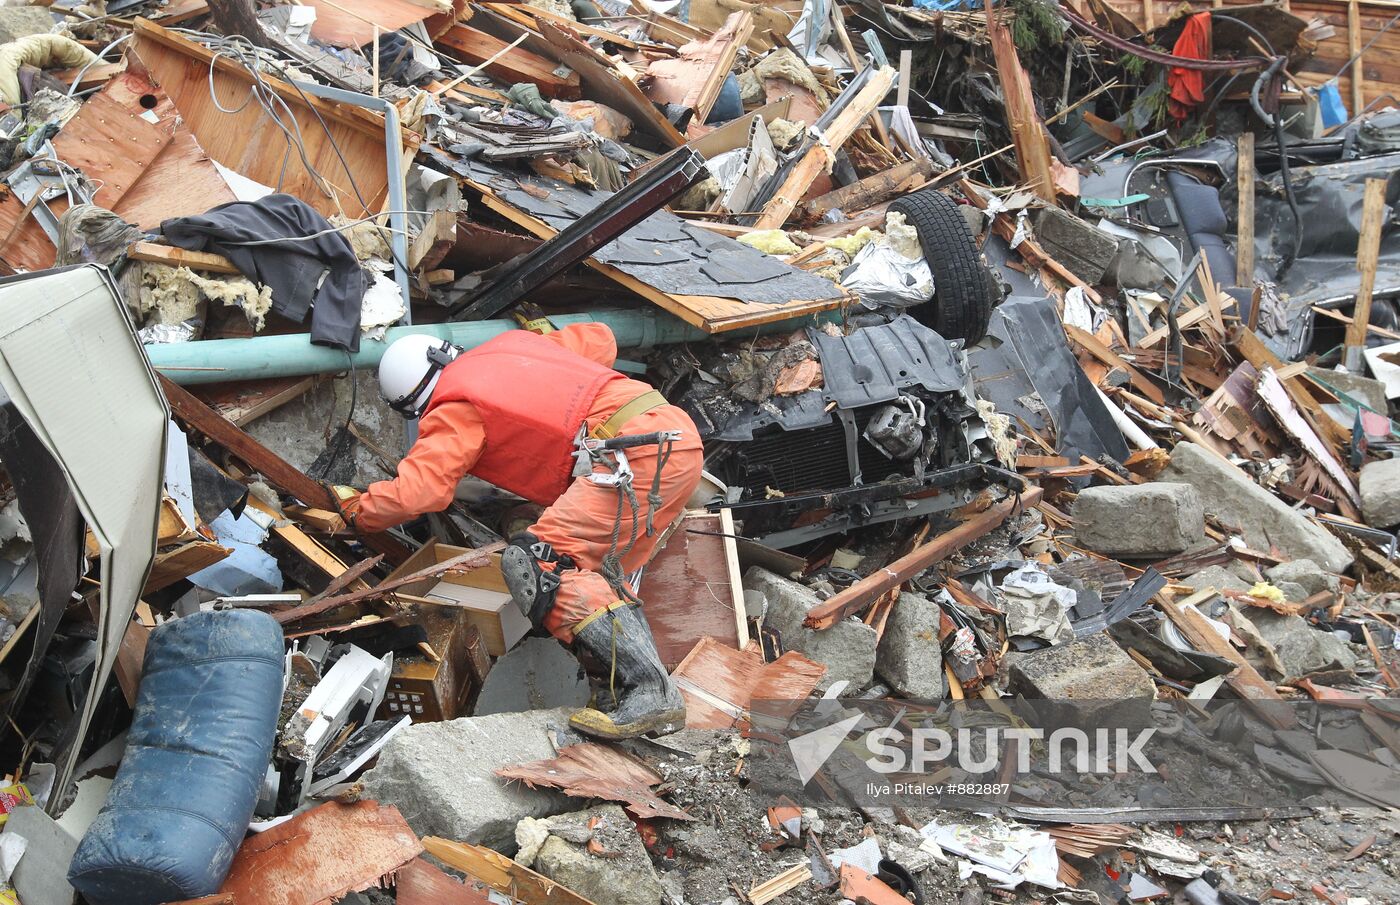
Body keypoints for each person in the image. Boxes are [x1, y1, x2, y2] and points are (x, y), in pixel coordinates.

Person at [336, 323, 703, 739]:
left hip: (631, 457)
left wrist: (357, 512)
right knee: (592, 575)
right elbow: (602, 337)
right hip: (672, 437)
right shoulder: (514, 345)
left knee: (540, 563)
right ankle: (621, 693)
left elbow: (419, 493)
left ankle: (652, 693)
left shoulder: (454, 406)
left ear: (411, 403)